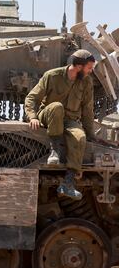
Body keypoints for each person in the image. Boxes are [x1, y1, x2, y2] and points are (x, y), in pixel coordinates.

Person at [24, 49, 100, 200]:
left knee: (79, 137)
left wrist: (91, 135)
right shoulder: (52, 75)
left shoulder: (86, 82)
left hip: (70, 120)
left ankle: (68, 183)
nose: (91, 71)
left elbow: (87, 110)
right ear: (79, 66)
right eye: (89, 68)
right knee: (57, 107)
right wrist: (32, 117)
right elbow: (32, 98)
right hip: (48, 115)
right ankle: (55, 151)